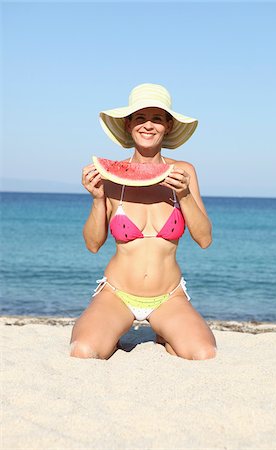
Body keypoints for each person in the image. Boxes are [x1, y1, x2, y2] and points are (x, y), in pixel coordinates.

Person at [70, 83, 217, 360]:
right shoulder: (111, 177)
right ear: (128, 125)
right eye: (140, 118)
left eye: (157, 119)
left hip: (169, 295)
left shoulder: (184, 172)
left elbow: (205, 239)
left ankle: (164, 333)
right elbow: (92, 245)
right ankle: (110, 330)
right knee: (83, 351)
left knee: (205, 354)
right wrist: (97, 198)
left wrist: (184, 195)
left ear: (168, 126)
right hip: (117, 293)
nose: (148, 125)